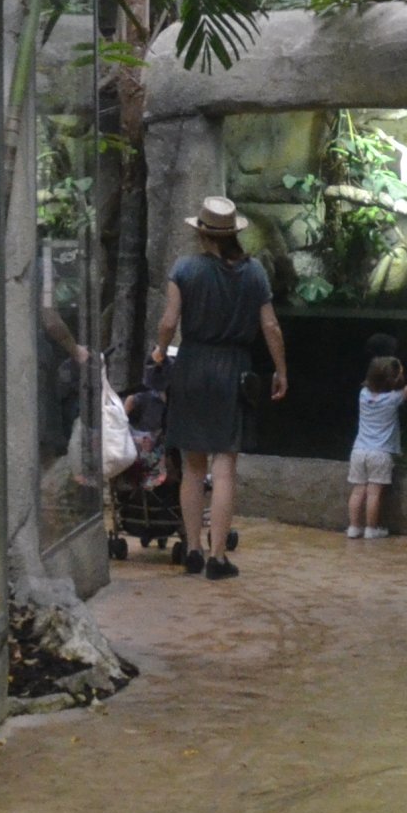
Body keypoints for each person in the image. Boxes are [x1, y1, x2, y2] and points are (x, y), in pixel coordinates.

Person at [150, 194, 287, 580]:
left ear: (203, 234)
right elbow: (271, 327)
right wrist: (281, 370)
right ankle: (217, 558)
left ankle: (191, 549)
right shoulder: (255, 272)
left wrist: (161, 352)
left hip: (192, 366)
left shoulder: (185, 269)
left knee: (193, 467)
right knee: (224, 466)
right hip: (234, 369)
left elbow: (168, 321)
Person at [346, 352, 407, 539]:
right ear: (392, 381)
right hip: (380, 454)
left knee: (358, 490)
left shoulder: (363, 395)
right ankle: (371, 529)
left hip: (358, 451)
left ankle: (353, 527)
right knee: (374, 493)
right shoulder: (393, 399)